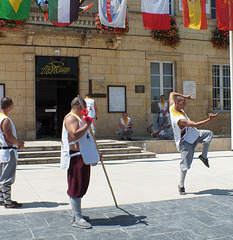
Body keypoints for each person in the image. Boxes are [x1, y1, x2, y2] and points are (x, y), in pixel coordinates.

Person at [61, 96, 99, 229]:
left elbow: (86, 139)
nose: (86, 110)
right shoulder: (71, 118)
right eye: (84, 107)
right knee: (76, 185)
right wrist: (88, 125)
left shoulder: (78, 119)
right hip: (77, 157)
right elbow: (74, 135)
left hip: (83, 156)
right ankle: (77, 217)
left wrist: (95, 152)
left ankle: (76, 214)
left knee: (81, 185)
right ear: (79, 106)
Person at [169, 92, 219, 195]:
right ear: (177, 103)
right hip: (186, 142)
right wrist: (209, 119)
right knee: (185, 166)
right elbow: (195, 124)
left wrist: (184, 96)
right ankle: (181, 186)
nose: (185, 105)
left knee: (208, 134)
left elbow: (172, 93)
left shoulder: (171, 106)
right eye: (183, 103)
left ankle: (203, 157)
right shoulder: (179, 119)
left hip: (194, 134)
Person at [0, 97, 24, 208]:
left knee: (1, 176)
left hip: (2, 151)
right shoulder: (6, 120)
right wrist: (18, 142)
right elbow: (8, 136)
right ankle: (8, 202)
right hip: (7, 151)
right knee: (7, 177)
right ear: (10, 106)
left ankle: (2, 199)